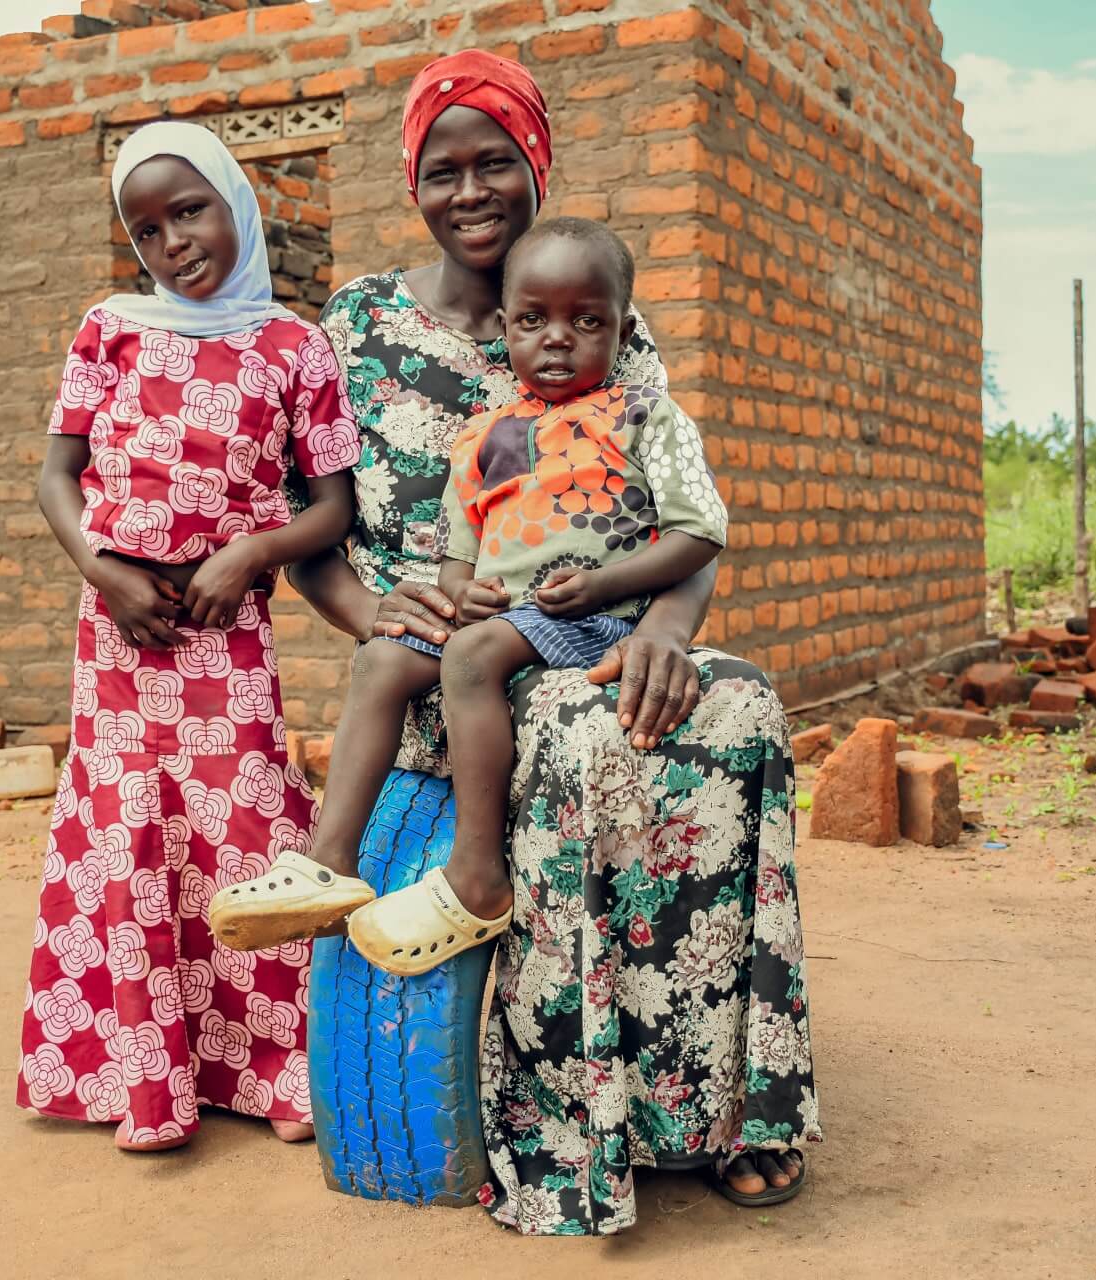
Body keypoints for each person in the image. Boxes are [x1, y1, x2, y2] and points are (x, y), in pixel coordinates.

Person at [249, 51, 820, 1232]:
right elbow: (308, 533)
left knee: (737, 705)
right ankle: (576, 1125)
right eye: (445, 168)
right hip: (436, 656)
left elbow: (684, 515)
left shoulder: (597, 299)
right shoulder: (354, 323)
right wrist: (377, 614)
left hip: (578, 618)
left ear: (536, 165)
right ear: (413, 181)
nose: (473, 190)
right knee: (569, 735)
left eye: (496, 161)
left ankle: (732, 1101)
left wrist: (669, 627)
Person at [15, 122, 360, 1153]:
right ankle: (147, 1081)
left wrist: (252, 553)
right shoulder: (107, 330)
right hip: (120, 636)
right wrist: (102, 571)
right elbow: (53, 475)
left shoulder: (295, 346)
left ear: (238, 206)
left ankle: (276, 1070)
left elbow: (332, 505)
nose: (173, 242)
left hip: (226, 632)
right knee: (130, 837)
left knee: (244, 832)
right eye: (147, 227)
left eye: (191, 210)